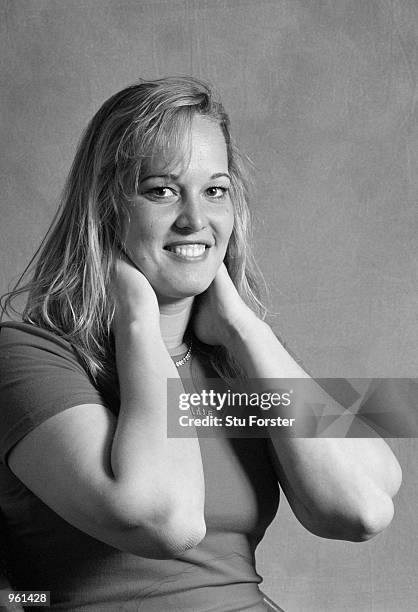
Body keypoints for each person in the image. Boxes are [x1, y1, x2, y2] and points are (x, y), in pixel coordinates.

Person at [0, 76, 402, 611]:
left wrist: (244, 330)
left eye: (214, 190)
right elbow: (165, 520)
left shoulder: (237, 365)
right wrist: (139, 320)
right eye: (161, 190)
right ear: (104, 206)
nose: (195, 219)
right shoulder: (27, 357)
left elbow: (362, 509)